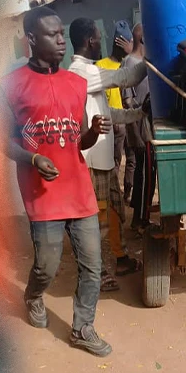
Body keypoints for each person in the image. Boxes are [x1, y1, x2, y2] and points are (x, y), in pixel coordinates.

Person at [0, 6, 112, 357]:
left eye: (62, 34)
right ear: (31, 39)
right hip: (42, 194)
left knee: (92, 265)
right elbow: (3, 141)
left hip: (79, 191)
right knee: (46, 266)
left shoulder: (75, 84)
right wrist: (32, 158)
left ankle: (83, 328)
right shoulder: (12, 86)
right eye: (52, 35)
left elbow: (78, 140)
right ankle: (33, 295)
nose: (62, 41)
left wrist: (92, 133)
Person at [66, 18, 149, 290]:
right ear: (90, 41)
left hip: (104, 160)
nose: (101, 41)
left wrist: (138, 113)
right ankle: (96, 273)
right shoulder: (81, 72)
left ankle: (120, 258)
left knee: (115, 211)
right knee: (96, 220)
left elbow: (108, 114)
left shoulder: (89, 71)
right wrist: (151, 58)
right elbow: (126, 77)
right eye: (99, 36)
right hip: (92, 161)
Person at [123, 23, 158, 235]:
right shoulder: (130, 64)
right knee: (145, 175)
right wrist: (135, 132)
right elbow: (128, 102)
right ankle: (141, 219)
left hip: (147, 129)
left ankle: (140, 216)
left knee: (146, 174)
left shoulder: (144, 63)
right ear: (143, 39)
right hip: (141, 129)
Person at [94, 21, 131, 205]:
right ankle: (115, 197)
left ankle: (116, 195)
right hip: (114, 123)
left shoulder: (102, 65)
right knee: (116, 162)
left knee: (117, 162)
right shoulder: (126, 66)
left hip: (116, 123)